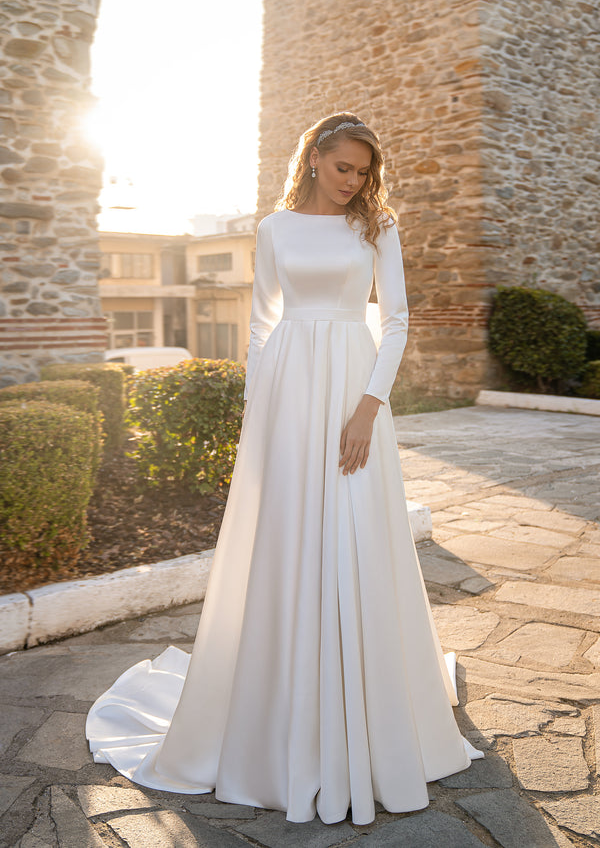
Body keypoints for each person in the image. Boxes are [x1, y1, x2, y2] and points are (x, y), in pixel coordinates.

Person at [86, 111, 484, 825]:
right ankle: (285, 708)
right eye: (343, 168)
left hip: (353, 390)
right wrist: (257, 413)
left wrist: (367, 408)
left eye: (363, 172)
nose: (353, 181)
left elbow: (394, 322)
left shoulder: (377, 227)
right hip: (287, 399)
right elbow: (263, 324)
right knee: (292, 541)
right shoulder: (272, 230)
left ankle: (370, 712)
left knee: (358, 533)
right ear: (314, 160)